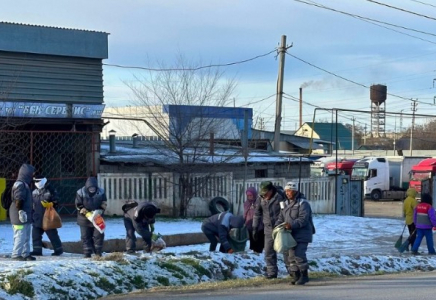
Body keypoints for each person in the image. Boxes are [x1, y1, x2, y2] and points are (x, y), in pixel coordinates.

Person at [277, 181, 314, 285]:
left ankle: (304, 275)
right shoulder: (284, 204)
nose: (287, 193)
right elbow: (281, 218)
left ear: (295, 191)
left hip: (302, 234)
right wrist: (277, 226)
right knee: (291, 256)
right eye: (286, 191)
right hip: (290, 235)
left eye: (289, 191)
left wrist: (291, 225)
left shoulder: (303, 203)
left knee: (299, 254)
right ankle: (296, 275)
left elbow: (303, 219)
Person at [252, 181, 286, 279]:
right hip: (268, 228)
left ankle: (293, 272)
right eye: (263, 193)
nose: (264, 195)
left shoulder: (280, 197)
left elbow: (284, 212)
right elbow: (257, 213)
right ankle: (272, 273)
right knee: (268, 251)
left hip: (280, 228)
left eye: (266, 193)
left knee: (286, 251)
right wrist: (255, 227)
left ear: (271, 191)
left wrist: (279, 223)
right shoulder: (260, 198)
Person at [30, 176, 63, 256]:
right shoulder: (33, 191)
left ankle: (58, 249)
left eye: (38, 180)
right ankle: (37, 250)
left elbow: (58, 201)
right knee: (35, 235)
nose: (37, 183)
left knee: (52, 235)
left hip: (48, 217)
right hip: (37, 217)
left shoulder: (50, 190)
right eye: (35, 181)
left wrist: (51, 204)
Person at [75, 177, 107, 258]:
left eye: (93, 188)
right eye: (90, 188)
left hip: (97, 217)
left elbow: (104, 203)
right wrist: (86, 212)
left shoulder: (101, 192)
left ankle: (98, 252)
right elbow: (78, 205)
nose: (92, 189)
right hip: (84, 218)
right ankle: (87, 252)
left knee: (99, 234)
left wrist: (100, 211)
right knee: (85, 236)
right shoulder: (80, 192)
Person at [9, 163, 35, 261]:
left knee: (26, 235)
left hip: (25, 214)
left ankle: (25, 253)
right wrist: (20, 211)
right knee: (20, 235)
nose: (33, 175)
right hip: (19, 215)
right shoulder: (20, 184)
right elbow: (18, 199)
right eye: (31, 173)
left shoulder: (25, 184)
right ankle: (16, 254)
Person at [244, 187, 264, 253]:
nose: (249, 197)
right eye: (248, 195)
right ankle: (253, 250)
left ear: (254, 195)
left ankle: (259, 251)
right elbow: (245, 212)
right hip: (249, 223)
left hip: (259, 223)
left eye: (251, 195)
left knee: (259, 237)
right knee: (252, 238)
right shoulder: (246, 203)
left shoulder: (259, 202)